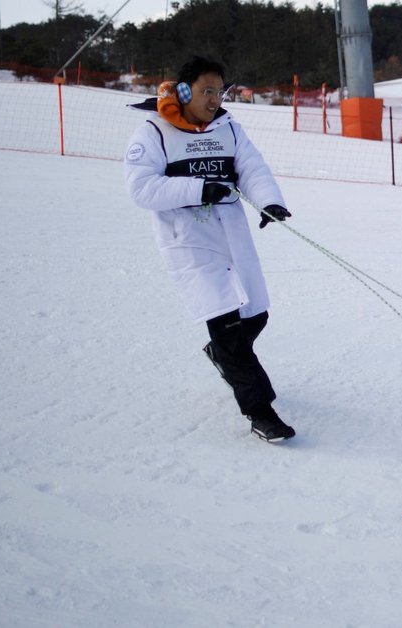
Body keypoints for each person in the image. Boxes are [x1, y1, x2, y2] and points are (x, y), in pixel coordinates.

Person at [124, 55, 296, 443]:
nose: (215, 98)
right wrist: (199, 188)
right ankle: (260, 412)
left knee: (255, 315)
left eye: (219, 91)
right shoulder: (153, 132)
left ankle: (222, 353)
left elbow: (252, 167)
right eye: (206, 91)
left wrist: (269, 200)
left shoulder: (228, 127)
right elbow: (141, 187)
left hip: (232, 237)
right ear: (184, 91)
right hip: (190, 242)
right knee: (228, 327)